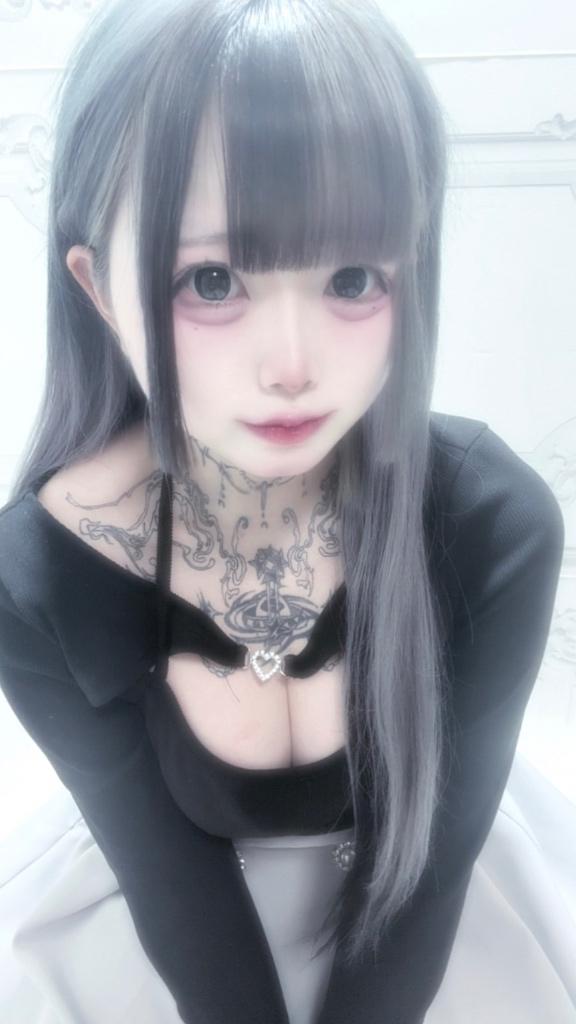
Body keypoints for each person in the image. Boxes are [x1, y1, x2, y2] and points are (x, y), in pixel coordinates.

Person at [0, 1, 568, 1022]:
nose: (294, 365)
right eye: (213, 279)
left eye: (353, 276)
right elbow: (178, 899)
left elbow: (429, 879)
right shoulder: (40, 582)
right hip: (164, 929)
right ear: (97, 287)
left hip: (432, 907)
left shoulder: (493, 526)